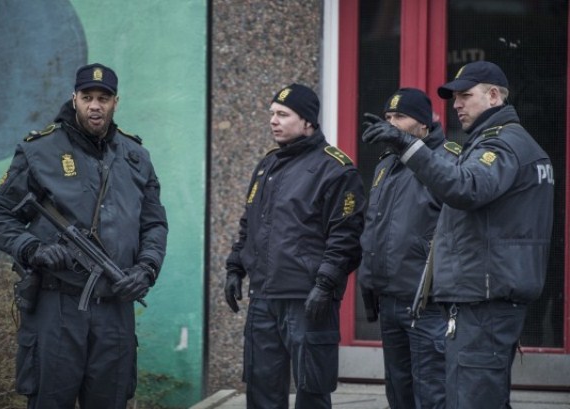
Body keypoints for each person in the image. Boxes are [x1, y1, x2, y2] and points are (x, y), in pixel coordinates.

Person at [361, 61, 554, 409]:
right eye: (455, 98)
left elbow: (465, 187)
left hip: (484, 301)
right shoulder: (494, 143)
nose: (457, 104)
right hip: (479, 298)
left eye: (465, 95)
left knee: (469, 399)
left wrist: (408, 147)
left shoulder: (503, 145)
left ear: (493, 96)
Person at [0, 63, 168, 409]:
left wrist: (146, 269)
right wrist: (33, 248)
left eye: (103, 98)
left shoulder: (136, 157)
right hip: (58, 307)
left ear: (116, 102)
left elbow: (154, 224)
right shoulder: (39, 151)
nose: (95, 105)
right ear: (74, 98)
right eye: (87, 97)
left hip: (115, 308)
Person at [224, 83, 365, 409]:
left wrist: (325, 283)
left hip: (308, 300)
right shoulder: (267, 166)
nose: (273, 120)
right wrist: (235, 267)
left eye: (283, 114)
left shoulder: (336, 168)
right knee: (261, 390)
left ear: (308, 122)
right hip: (264, 299)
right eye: (272, 113)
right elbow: (250, 222)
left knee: (312, 392)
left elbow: (346, 237)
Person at [359, 88, 459, 409]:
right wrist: (369, 278)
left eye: (400, 117)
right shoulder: (386, 165)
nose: (391, 123)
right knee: (399, 393)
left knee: (431, 394)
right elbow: (376, 227)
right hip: (390, 301)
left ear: (424, 124)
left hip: (427, 306)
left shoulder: (448, 159)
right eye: (387, 117)